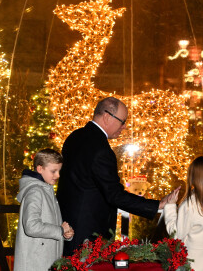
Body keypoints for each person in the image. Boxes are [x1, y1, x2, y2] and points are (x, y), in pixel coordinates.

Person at [57, 97, 176, 256]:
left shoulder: (74, 137)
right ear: (107, 117)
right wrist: (157, 205)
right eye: (122, 121)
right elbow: (114, 195)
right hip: (88, 234)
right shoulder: (101, 150)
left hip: (67, 225)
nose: (125, 126)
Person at [14, 149, 74, 271]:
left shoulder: (47, 190)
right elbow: (31, 226)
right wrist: (59, 230)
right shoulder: (35, 192)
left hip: (46, 259)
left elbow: (51, 226)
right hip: (35, 262)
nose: (58, 175)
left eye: (59, 171)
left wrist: (65, 233)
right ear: (40, 169)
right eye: (53, 171)